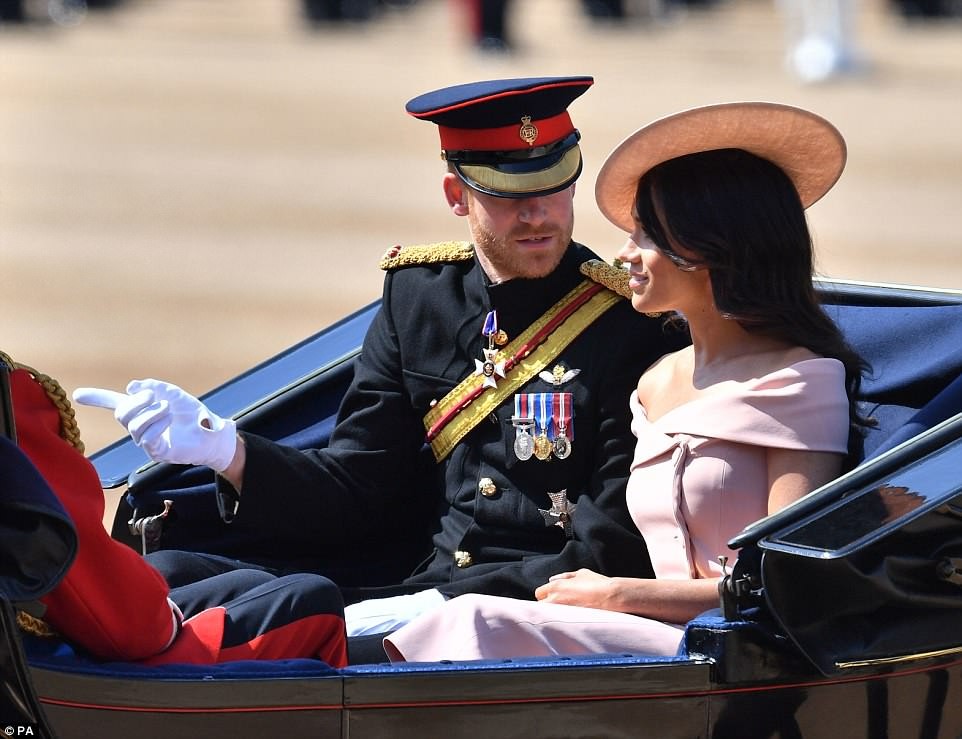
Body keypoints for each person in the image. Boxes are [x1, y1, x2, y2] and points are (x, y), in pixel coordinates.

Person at [73, 76, 689, 654]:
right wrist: (227, 452)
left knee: (285, 616)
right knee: (170, 572)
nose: (537, 215)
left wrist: (437, 606)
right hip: (413, 585)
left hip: (525, 612)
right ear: (457, 195)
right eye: (507, 195)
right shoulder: (419, 297)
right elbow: (360, 487)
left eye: (552, 188)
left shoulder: (632, 324)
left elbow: (612, 545)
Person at [382, 101, 869, 662]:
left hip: (733, 648)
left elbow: (787, 582)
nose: (624, 253)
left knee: (474, 619)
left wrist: (620, 595)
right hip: (645, 634)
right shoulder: (656, 380)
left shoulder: (801, 381)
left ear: (712, 249)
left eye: (647, 235)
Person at [3, 353, 347, 667]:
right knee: (315, 603)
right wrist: (158, 617)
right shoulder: (12, 403)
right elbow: (121, 620)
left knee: (233, 579)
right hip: (59, 663)